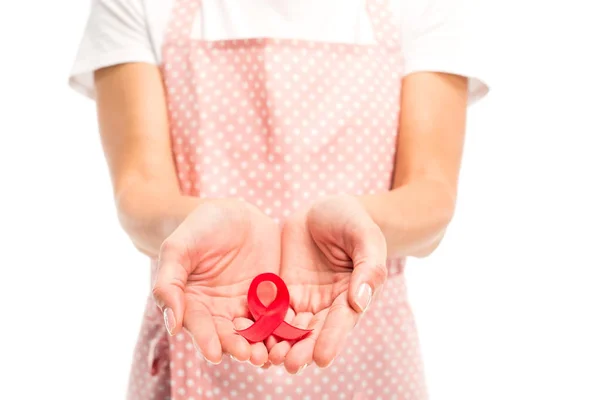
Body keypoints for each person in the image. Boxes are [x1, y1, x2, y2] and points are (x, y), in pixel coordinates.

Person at [69, 0, 489, 398]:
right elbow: (139, 193)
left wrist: (358, 224)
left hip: (369, 353)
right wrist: (203, 228)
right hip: (198, 333)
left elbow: (431, 197)